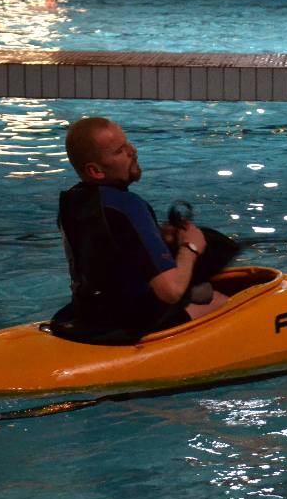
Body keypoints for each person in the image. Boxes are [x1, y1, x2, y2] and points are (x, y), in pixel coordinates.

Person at [55, 117, 231, 342]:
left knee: (202, 290)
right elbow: (171, 291)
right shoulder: (128, 206)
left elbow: (105, 254)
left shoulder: (71, 202)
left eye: (127, 143)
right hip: (125, 327)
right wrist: (191, 246)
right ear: (96, 171)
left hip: (87, 314)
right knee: (223, 301)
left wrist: (157, 237)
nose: (133, 151)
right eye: (120, 150)